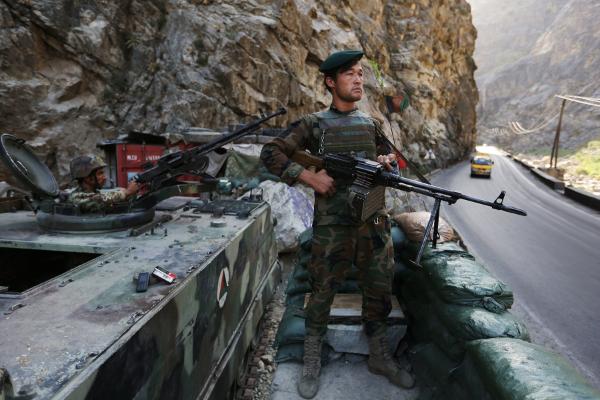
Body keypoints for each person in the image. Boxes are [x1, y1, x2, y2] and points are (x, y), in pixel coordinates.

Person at [260, 50, 415, 398]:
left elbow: (389, 163)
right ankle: (312, 358)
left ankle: (379, 355)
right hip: (333, 225)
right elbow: (271, 152)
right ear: (331, 82)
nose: (359, 79)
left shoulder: (372, 124)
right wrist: (307, 178)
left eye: (361, 74)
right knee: (322, 291)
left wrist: (387, 163)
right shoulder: (314, 124)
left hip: (372, 219)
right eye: (350, 74)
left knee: (378, 289)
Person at [68, 155, 139, 213]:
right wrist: (127, 192)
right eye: (100, 173)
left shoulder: (95, 193)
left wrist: (130, 194)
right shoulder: (76, 197)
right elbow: (99, 200)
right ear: (88, 178)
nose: (105, 177)